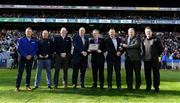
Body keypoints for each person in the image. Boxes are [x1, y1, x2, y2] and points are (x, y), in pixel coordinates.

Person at [15, 27, 38, 92]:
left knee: (29, 73)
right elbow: (19, 49)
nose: (29, 32)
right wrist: (25, 55)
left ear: (32, 32)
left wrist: (31, 55)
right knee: (20, 73)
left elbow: (36, 49)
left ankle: (27, 86)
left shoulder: (34, 40)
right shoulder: (20, 39)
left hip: (30, 58)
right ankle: (17, 86)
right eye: (27, 31)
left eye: (30, 31)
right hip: (22, 58)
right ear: (25, 32)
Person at [142, 27, 163, 93]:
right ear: (145, 33)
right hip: (146, 60)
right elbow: (143, 50)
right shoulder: (144, 40)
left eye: (149, 31)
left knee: (156, 74)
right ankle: (148, 87)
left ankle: (156, 88)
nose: (148, 33)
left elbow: (161, 49)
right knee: (147, 74)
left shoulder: (156, 39)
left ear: (151, 32)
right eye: (146, 32)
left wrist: (157, 56)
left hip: (154, 60)